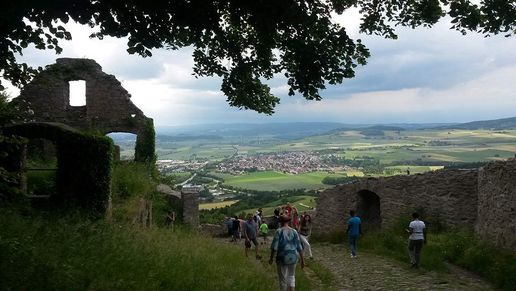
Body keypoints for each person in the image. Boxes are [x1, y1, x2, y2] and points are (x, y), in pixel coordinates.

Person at [269, 214, 304, 291]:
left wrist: (271, 258)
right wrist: (302, 260)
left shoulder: (279, 231)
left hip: (282, 257)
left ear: (280, 222)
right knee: (291, 276)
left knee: (283, 279)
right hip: (294, 257)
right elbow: (299, 246)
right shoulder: (294, 231)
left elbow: (274, 247)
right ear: (288, 221)